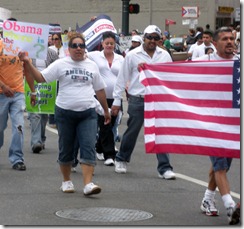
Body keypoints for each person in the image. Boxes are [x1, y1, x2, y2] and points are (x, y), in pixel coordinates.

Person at [18, 32, 111, 195]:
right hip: (65, 112)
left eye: (81, 46)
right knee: (66, 148)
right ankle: (66, 181)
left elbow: (100, 89)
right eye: (75, 46)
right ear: (69, 48)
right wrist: (27, 62)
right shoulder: (61, 64)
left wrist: (105, 110)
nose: (78, 49)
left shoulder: (91, 66)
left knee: (88, 146)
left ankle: (88, 184)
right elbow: (41, 78)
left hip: (87, 112)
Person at [111, 25, 176, 179]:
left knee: (160, 133)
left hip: (158, 99)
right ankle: (121, 158)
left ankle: (164, 168)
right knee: (132, 131)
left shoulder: (164, 55)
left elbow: (170, 77)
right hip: (138, 98)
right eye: (149, 37)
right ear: (144, 38)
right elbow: (122, 78)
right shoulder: (132, 55)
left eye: (155, 38)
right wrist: (116, 99)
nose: (152, 41)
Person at [195, 27, 240, 225]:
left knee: (222, 165)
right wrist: (149, 68)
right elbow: (176, 73)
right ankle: (230, 205)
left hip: (233, 123)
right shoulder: (203, 63)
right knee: (220, 164)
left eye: (232, 38)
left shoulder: (240, 63)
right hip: (211, 122)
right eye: (224, 39)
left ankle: (207, 199)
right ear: (214, 43)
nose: (230, 41)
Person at [0, 17, 36, 171]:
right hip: (1, 93)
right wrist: (3, 86)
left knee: (19, 126)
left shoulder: (23, 49)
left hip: (18, 93)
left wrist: (33, 92)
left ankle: (17, 158)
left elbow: (27, 72)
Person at [86, 31, 124, 166]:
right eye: (106, 43)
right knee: (104, 123)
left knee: (112, 124)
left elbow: (125, 76)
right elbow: (82, 56)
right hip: (100, 96)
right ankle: (109, 154)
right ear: (102, 44)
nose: (109, 46)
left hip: (115, 97)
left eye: (111, 44)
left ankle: (99, 147)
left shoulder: (120, 59)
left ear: (115, 44)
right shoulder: (94, 56)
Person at [28, 48, 59, 153]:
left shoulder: (52, 53)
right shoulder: (29, 52)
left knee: (44, 115)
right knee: (34, 113)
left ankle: (41, 139)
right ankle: (36, 142)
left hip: (47, 87)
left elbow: (57, 69)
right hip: (32, 84)